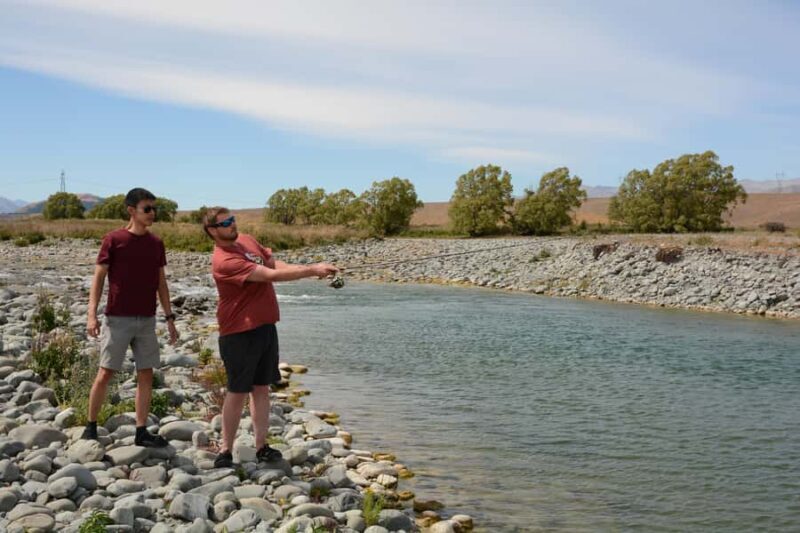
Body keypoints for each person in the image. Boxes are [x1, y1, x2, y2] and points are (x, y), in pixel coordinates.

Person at [203, 207, 338, 468]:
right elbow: (270, 276)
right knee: (237, 392)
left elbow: (273, 264)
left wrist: (309, 269)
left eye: (232, 219)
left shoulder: (247, 240)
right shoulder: (224, 260)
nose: (232, 225)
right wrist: (312, 270)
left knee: (261, 388)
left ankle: (261, 447)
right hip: (238, 332)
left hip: (265, 326)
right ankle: (225, 450)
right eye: (225, 223)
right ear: (212, 230)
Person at [83, 188, 179, 447]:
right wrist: (91, 315)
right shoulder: (113, 240)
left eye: (154, 208)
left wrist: (170, 318)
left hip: (147, 320)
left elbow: (161, 283)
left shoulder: (156, 243)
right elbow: (98, 278)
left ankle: (141, 431)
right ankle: (90, 427)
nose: (152, 213)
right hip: (117, 319)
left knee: (146, 374)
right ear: (131, 211)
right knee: (106, 372)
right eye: (147, 209)